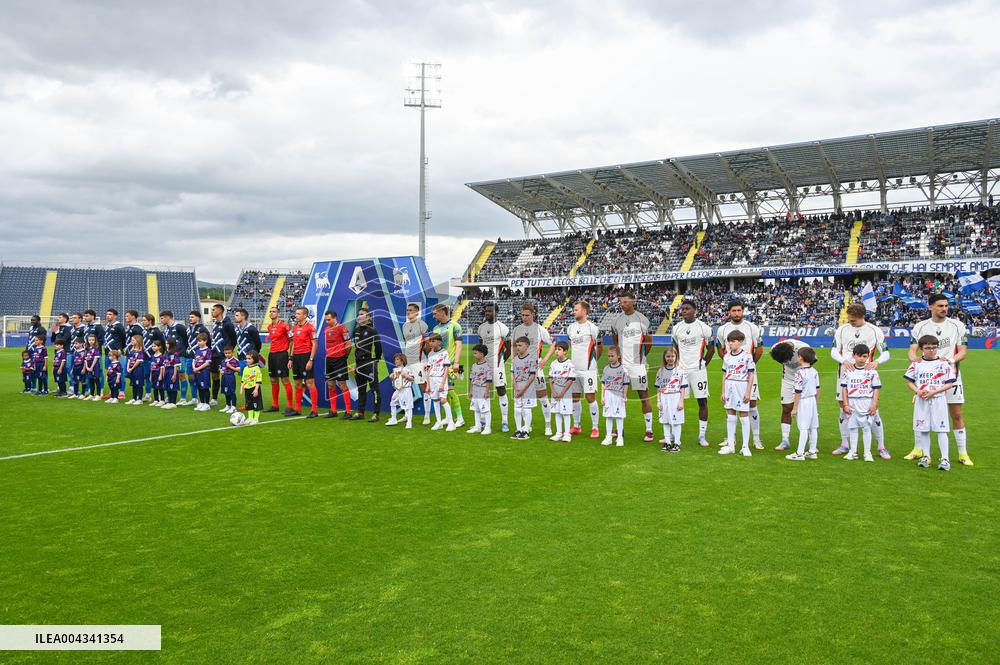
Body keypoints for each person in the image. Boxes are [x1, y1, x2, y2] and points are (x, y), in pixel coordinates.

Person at [907, 294, 972, 466]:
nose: (944, 309)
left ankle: (962, 453)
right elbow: (912, 350)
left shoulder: (957, 325)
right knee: (922, 413)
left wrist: (950, 361)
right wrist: (915, 361)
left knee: (956, 414)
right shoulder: (920, 327)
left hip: (951, 376)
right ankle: (918, 450)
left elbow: (963, 352)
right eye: (940, 306)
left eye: (946, 306)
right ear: (930, 307)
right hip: (927, 379)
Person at [831, 303, 889, 455]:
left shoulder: (874, 331)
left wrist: (877, 362)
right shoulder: (842, 329)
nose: (850, 323)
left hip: (865, 375)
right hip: (845, 374)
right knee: (844, 407)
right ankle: (845, 444)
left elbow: (886, 353)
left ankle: (881, 447)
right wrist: (844, 361)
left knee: (872, 410)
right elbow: (834, 351)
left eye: (853, 320)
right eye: (849, 320)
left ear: (862, 317)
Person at [715, 300, 764, 450]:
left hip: (747, 375)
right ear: (729, 312)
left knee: (752, 404)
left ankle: (756, 438)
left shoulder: (752, 328)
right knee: (730, 405)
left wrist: (749, 365)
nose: (737, 313)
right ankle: (732, 439)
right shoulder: (723, 329)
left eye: (739, 310)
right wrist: (730, 362)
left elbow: (759, 348)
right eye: (734, 311)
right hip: (731, 375)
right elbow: (719, 348)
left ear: (743, 311)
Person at [905, 335, 956, 471]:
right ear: (921, 349)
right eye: (927, 348)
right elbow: (909, 381)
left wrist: (934, 392)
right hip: (922, 400)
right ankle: (926, 457)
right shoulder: (916, 363)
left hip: (938, 399)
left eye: (934, 347)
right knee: (923, 429)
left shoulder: (943, 363)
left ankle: (945, 459)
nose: (931, 350)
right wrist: (917, 391)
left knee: (942, 429)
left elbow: (950, 384)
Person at [608, 292, 654, 441]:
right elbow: (615, 342)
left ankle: (649, 430)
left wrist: (640, 358)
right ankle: (618, 429)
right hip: (622, 366)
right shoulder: (616, 321)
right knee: (619, 397)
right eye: (621, 302)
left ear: (633, 302)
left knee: (644, 396)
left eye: (625, 302)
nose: (622, 304)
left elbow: (649, 342)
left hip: (638, 366)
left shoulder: (642, 319)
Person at [511, 302, 554, 435]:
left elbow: (553, 344)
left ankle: (548, 425)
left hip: (535, 368)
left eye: (527, 315)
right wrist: (513, 361)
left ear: (533, 314)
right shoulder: (516, 329)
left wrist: (545, 360)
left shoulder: (540, 329)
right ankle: (525, 426)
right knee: (521, 396)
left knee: (542, 396)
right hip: (520, 370)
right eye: (522, 315)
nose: (524, 317)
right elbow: (513, 346)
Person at [839, 344, 882, 462]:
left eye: (865, 356)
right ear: (853, 356)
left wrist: (874, 404)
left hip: (866, 402)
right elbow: (844, 388)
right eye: (859, 356)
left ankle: (867, 453)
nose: (862, 359)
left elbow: (876, 388)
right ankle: (853, 452)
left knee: (866, 427)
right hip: (852, 402)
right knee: (852, 428)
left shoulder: (872, 372)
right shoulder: (848, 371)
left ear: (868, 357)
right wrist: (845, 404)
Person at [567, 300, 602, 439]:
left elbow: (600, 347)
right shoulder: (570, 328)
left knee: (590, 397)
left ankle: (595, 428)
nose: (574, 312)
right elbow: (570, 346)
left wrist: (592, 363)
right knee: (575, 397)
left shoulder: (592, 328)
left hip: (588, 370)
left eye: (576, 310)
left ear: (584, 311)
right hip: (574, 370)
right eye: (574, 309)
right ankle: (577, 426)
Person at [769, 338, 811, 451]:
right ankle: (785, 440)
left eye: (787, 359)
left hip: (804, 380)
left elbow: (813, 361)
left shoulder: (804, 347)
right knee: (786, 408)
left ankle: (812, 442)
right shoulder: (775, 348)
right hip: (787, 380)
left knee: (806, 409)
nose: (786, 362)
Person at [719, 330, 755, 457]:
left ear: (740, 342)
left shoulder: (747, 356)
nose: (730, 343)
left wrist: (748, 392)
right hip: (729, 386)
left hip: (741, 386)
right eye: (729, 341)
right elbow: (724, 374)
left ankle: (745, 446)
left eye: (733, 341)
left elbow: (751, 375)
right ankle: (730, 445)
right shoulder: (727, 356)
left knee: (744, 415)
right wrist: (723, 391)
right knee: (730, 414)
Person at [477, 303, 511, 432]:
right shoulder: (481, 328)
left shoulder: (502, 328)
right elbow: (480, 348)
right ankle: (483, 420)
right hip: (484, 366)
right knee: (483, 392)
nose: (487, 313)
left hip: (497, 366)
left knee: (501, 390)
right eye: (486, 311)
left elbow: (509, 347)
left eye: (490, 311)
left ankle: (505, 421)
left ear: (496, 311)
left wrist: (501, 361)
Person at [431, 304, 465, 428]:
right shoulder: (435, 328)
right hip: (438, 365)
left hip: (449, 363)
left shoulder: (455, 326)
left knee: (449, 390)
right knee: (444, 392)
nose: (433, 316)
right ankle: (448, 417)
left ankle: (460, 418)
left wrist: (456, 362)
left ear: (442, 312)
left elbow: (459, 345)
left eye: (435, 313)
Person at [785, 347, 820, 461]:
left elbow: (798, 392)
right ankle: (812, 451)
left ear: (800, 358)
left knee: (803, 428)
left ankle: (800, 453)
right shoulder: (814, 371)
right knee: (813, 427)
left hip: (804, 401)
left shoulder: (799, 373)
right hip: (812, 401)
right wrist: (816, 404)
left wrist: (794, 408)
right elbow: (818, 389)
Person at [286, 306, 318, 418]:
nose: (296, 315)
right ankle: (298, 409)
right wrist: (290, 358)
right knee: (297, 383)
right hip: (296, 358)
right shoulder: (295, 328)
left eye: (299, 314)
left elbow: (315, 344)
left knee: (310, 383)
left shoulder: (310, 328)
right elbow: (293, 344)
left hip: (306, 357)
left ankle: (314, 410)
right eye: (296, 313)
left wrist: (311, 360)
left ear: (305, 315)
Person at [654, 346, 687, 452]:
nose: (670, 358)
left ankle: (677, 443)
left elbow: (682, 387)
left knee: (676, 421)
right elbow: (658, 388)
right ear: (664, 357)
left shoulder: (680, 370)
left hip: (675, 397)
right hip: (664, 397)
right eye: (668, 356)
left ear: (676, 357)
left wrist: (681, 401)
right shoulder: (660, 371)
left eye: (672, 356)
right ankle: (667, 442)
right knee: (665, 421)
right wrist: (658, 401)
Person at [352, 309, 382, 422]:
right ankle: (360, 412)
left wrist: (376, 358)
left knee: (374, 389)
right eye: (358, 314)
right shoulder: (356, 330)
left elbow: (378, 345)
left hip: (369, 363)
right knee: (361, 389)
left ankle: (376, 414)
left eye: (361, 314)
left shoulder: (372, 330)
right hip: (359, 364)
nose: (359, 316)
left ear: (368, 317)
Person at [402, 303, 429, 423]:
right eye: (407, 310)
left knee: (424, 387)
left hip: (419, 361)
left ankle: (427, 415)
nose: (409, 312)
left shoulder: (422, 324)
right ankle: (407, 415)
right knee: (405, 388)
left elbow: (428, 343)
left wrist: (425, 359)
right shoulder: (405, 326)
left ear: (417, 312)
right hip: (407, 362)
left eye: (411, 310)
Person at [322, 310, 352, 419]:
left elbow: (349, 344)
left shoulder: (342, 328)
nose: (327, 322)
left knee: (342, 384)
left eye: (329, 319)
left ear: (335, 318)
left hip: (340, 360)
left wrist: (344, 356)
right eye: (326, 320)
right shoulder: (326, 329)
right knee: (330, 385)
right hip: (329, 359)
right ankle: (333, 410)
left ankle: (348, 411)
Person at [424, 333, 455, 431]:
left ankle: (451, 423)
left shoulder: (444, 352)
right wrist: (428, 385)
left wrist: (442, 383)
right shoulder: (430, 354)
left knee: (443, 400)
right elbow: (428, 370)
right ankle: (439, 422)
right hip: (432, 380)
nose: (431, 343)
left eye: (433, 341)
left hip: (440, 379)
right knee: (435, 400)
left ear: (439, 342)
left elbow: (446, 369)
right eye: (430, 342)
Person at [265, 306, 293, 413]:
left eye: (274, 311)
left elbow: (292, 341)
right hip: (272, 355)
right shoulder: (269, 327)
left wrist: (290, 357)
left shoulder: (285, 326)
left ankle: (290, 406)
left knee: (284, 379)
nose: (271, 313)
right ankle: (275, 405)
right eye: (270, 311)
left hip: (282, 355)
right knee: (273, 379)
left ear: (279, 314)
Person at [209, 304, 238, 406]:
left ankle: (229, 402)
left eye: (214, 310)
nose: (212, 311)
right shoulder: (215, 324)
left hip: (222, 355)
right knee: (214, 376)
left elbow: (234, 339)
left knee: (226, 376)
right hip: (214, 354)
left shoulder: (227, 324)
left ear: (220, 311)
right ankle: (214, 399)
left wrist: (228, 352)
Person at [547, 341, 576, 443]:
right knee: (557, 412)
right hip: (555, 393)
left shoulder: (569, 364)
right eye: (556, 349)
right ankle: (559, 433)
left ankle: (567, 434)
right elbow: (550, 379)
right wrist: (553, 392)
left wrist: (562, 393)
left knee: (566, 413)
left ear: (565, 352)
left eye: (559, 349)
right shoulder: (553, 364)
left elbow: (570, 380)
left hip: (565, 393)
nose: (556, 351)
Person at [600, 346, 628, 447]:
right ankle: (608, 437)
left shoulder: (623, 369)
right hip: (608, 395)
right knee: (608, 416)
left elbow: (625, 384)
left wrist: (625, 396)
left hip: (618, 395)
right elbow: (603, 384)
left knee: (619, 416)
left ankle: (620, 437)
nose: (610, 358)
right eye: (609, 356)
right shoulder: (606, 368)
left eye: (612, 356)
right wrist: (602, 396)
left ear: (618, 356)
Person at [510, 336, 537, 440]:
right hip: (517, 388)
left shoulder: (531, 359)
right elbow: (512, 375)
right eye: (517, 345)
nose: (518, 347)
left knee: (526, 409)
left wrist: (523, 390)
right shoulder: (514, 360)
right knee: (517, 409)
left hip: (528, 388)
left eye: (520, 345)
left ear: (527, 346)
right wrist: (516, 388)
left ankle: (525, 430)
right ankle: (518, 430)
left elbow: (532, 376)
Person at [182, 311, 209, 406]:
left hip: (200, 357)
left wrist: (203, 354)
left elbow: (208, 342)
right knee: (191, 377)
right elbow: (186, 340)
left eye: (192, 317)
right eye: (189, 317)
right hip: (190, 357)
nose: (190, 319)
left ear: (198, 318)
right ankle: (194, 398)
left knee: (201, 378)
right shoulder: (188, 328)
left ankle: (204, 400)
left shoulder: (203, 328)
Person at [467, 344, 493, 435]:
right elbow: (471, 379)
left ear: (482, 354)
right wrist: (471, 390)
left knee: (485, 409)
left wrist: (487, 392)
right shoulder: (474, 365)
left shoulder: (487, 366)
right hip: (475, 390)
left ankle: (487, 428)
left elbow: (489, 380)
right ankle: (477, 426)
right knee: (476, 409)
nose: (474, 355)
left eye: (475, 353)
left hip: (483, 389)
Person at [386, 353, 415, 429]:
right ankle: (393, 419)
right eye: (395, 359)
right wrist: (392, 377)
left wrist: (406, 375)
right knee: (392, 402)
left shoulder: (407, 369)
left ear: (402, 360)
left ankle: (409, 422)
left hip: (406, 389)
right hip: (398, 390)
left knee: (408, 406)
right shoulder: (395, 370)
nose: (396, 361)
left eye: (397, 359)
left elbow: (412, 379)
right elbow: (396, 381)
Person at [140, 314, 165, 401]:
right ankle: (148, 394)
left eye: (144, 320)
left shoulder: (156, 331)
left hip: (154, 358)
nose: (142, 322)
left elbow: (162, 343)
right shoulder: (144, 331)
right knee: (147, 375)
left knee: (157, 376)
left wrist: (161, 356)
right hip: (145, 357)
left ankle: (159, 395)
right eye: (142, 320)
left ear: (150, 321)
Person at [104, 309, 127, 398]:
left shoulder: (119, 326)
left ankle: (121, 392)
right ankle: (112, 391)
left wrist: (120, 349)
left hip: (117, 353)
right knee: (110, 372)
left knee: (119, 371)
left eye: (110, 314)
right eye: (107, 314)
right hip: (108, 353)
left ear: (115, 316)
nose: (108, 316)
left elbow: (123, 339)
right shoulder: (106, 326)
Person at [82, 310, 106, 396]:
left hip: (96, 352)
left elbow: (101, 339)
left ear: (93, 316)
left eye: (87, 315)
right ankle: (90, 390)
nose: (85, 317)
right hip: (87, 352)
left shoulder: (98, 326)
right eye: (85, 316)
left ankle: (101, 389)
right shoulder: (86, 326)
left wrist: (94, 347)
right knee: (89, 371)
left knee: (98, 371)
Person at [241, 351, 264, 426]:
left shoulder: (257, 368)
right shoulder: (245, 369)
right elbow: (243, 380)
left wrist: (256, 389)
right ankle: (250, 418)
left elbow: (258, 380)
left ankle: (256, 418)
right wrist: (241, 388)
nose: (247, 360)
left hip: (254, 389)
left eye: (249, 359)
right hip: (247, 389)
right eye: (246, 358)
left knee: (255, 403)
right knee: (248, 404)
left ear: (254, 359)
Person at [192, 333, 213, 411]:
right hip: (197, 372)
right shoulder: (197, 350)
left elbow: (207, 362)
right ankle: (201, 402)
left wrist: (198, 368)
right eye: (197, 341)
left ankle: (207, 404)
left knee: (205, 387)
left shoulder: (208, 350)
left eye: (200, 341)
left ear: (205, 341)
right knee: (199, 387)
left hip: (204, 372)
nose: (198, 343)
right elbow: (194, 360)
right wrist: (194, 368)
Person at [218, 347, 240, 414]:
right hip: (224, 378)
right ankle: (228, 405)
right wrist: (221, 371)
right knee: (226, 391)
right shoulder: (223, 361)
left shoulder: (235, 360)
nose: (227, 354)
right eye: (226, 353)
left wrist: (230, 366)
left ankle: (233, 407)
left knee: (232, 392)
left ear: (232, 352)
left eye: (229, 353)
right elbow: (221, 368)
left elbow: (238, 369)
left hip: (230, 377)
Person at [161, 340, 181, 409]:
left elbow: (176, 365)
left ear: (171, 344)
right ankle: (169, 401)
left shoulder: (175, 354)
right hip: (166, 371)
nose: (166, 344)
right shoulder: (166, 353)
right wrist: (163, 373)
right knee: (168, 387)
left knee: (173, 387)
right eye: (166, 343)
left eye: (167, 343)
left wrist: (174, 374)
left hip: (172, 370)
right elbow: (164, 364)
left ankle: (173, 402)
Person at [126, 335, 145, 405]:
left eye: (133, 340)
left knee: (139, 384)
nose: (132, 341)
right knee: (134, 384)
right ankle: (134, 398)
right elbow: (129, 359)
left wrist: (132, 368)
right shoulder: (132, 350)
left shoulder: (140, 351)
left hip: (138, 369)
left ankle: (139, 399)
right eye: (131, 340)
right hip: (132, 369)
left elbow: (138, 361)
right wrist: (128, 368)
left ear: (138, 341)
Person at [84, 333, 101, 400]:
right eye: (89, 340)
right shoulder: (87, 348)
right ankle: (91, 394)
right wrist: (87, 367)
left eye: (92, 340)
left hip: (95, 366)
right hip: (88, 366)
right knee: (90, 380)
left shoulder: (96, 348)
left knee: (96, 379)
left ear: (95, 340)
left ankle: (98, 395)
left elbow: (95, 359)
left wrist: (91, 367)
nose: (91, 341)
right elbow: (85, 359)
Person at [149, 340, 165, 407]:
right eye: (152, 346)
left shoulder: (161, 356)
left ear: (159, 347)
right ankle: (156, 400)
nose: (153, 347)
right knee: (154, 387)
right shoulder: (153, 356)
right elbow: (151, 367)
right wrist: (150, 375)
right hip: (153, 373)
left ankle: (162, 400)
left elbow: (162, 367)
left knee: (160, 387)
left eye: (155, 346)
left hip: (158, 373)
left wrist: (161, 375)